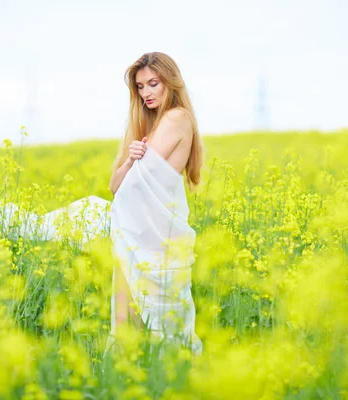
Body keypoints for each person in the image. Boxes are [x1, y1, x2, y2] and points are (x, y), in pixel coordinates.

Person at [106, 52, 204, 355]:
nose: (146, 93)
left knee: (158, 323)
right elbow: (115, 185)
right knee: (129, 323)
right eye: (140, 87)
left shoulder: (177, 117)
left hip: (155, 235)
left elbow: (137, 181)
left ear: (170, 83)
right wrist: (130, 159)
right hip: (140, 232)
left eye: (153, 84)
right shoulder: (151, 126)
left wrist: (135, 164)